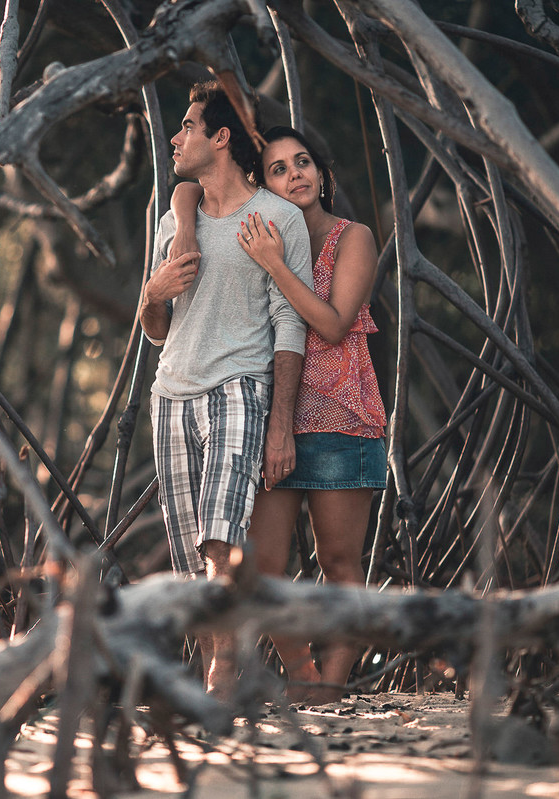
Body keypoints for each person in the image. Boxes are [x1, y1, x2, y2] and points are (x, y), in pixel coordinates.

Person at [170, 125, 387, 704]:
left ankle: (332, 684)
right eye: (279, 169)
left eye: (304, 163)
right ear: (259, 180)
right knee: (262, 564)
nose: (296, 176)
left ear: (322, 172)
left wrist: (275, 263)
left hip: (343, 418)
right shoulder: (260, 226)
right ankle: (304, 674)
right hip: (276, 418)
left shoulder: (352, 238)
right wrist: (186, 212)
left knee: (339, 561)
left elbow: (334, 324)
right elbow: (190, 190)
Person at [139, 86, 315, 700]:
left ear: (220, 138)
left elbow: (290, 325)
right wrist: (153, 294)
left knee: (221, 533)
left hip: (241, 386)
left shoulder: (278, 218)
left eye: (186, 126)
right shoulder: (172, 221)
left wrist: (281, 424)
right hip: (171, 397)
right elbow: (157, 330)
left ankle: (221, 676)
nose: (174, 138)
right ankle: (226, 665)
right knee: (194, 557)